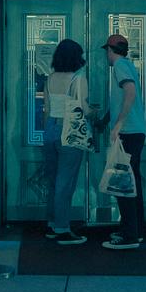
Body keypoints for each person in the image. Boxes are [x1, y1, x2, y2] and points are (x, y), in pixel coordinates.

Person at [43, 38, 93, 246]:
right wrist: (95, 113)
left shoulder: (50, 78)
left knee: (54, 181)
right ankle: (63, 229)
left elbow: (46, 109)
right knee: (66, 182)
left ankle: (53, 223)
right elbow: (83, 108)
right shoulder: (78, 79)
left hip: (50, 130)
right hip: (70, 131)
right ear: (75, 57)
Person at [100, 33, 146, 250]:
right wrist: (105, 121)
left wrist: (118, 124)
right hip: (135, 132)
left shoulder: (119, 66)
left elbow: (130, 92)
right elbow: (121, 100)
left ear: (110, 50)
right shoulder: (128, 65)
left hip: (127, 133)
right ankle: (135, 230)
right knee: (132, 182)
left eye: (107, 51)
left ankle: (129, 236)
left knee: (123, 184)